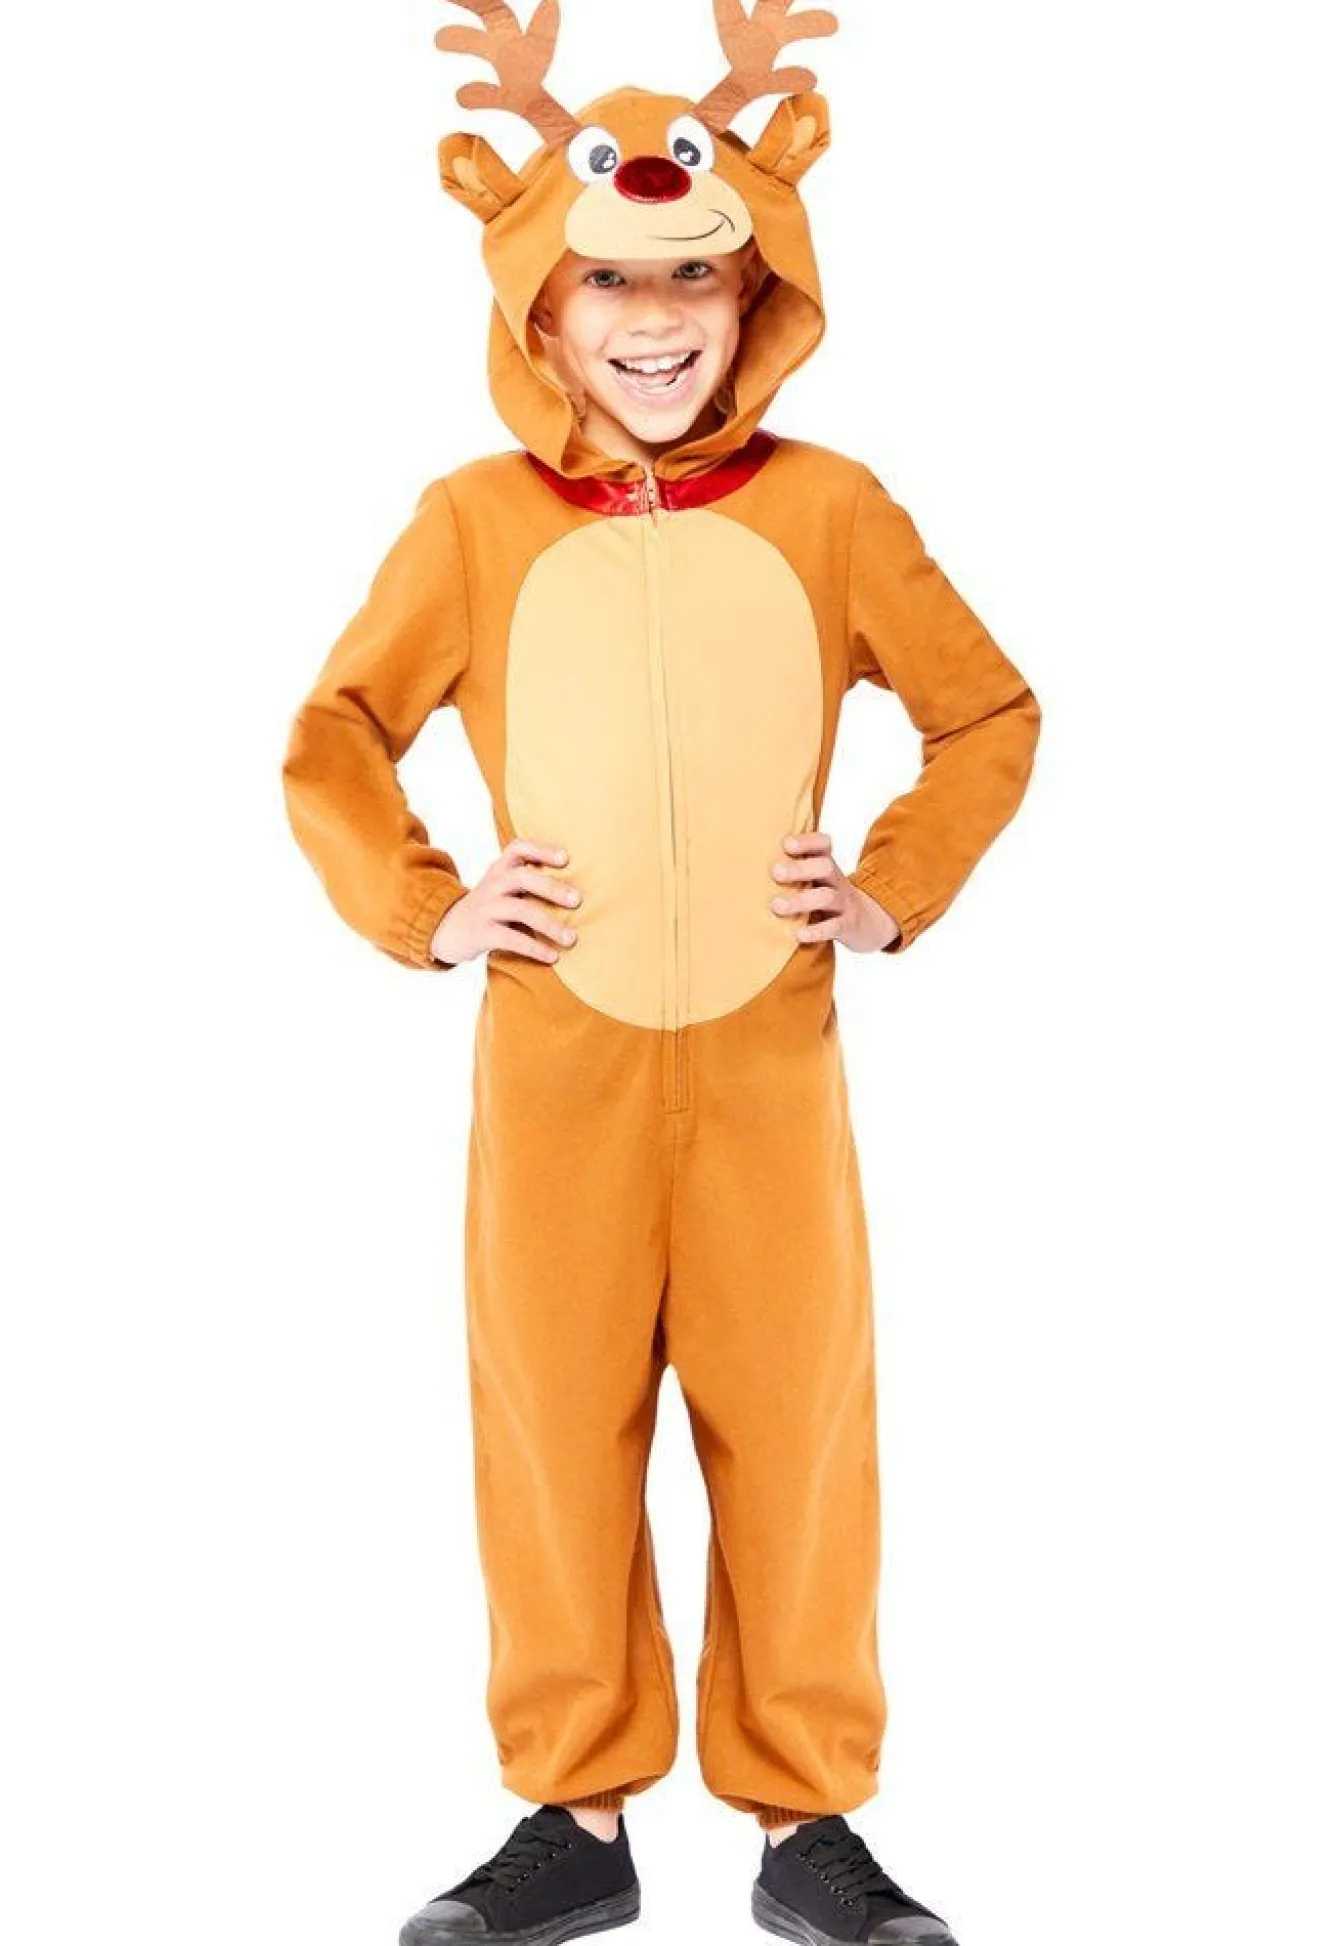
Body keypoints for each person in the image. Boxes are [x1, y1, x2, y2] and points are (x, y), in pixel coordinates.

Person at [281, 6, 1040, 1943]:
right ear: (538, 309)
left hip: (771, 1064)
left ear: (758, 295)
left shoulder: (831, 509)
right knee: (554, 1418)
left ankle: (808, 1824)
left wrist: (887, 888)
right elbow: (337, 735)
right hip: (559, 1062)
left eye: (697, 279)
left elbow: (986, 714)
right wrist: (429, 904)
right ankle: (575, 1813)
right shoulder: (472, 523)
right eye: (609, 282)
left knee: (797, 1427)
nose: (654, 320)